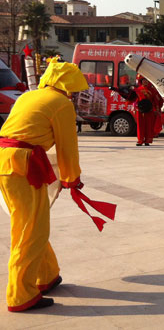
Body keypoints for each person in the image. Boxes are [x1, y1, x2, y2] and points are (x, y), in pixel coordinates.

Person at [0, 60, 88, 311]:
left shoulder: (30, 96)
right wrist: (72, 178)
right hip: (24, 166)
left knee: (28, 224)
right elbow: (67, 147)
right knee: (31, 231)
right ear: (68, 85)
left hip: (6, 162)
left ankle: (47, 275)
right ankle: (21, 295)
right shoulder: (61, 104)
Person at [134, 76, 157, 146]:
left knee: (149, 125)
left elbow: (155, 101)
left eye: (147, 80)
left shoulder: (153, 90)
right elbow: (135, 100)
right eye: (144, 80)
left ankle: (147, 140)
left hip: (149, 110)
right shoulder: (138, 90)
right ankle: (140, 140)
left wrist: (156, 109)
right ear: (141, 81)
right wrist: (135, 106)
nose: (145, 81)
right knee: (140, 125)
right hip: (140, 110)